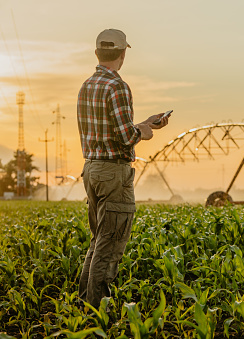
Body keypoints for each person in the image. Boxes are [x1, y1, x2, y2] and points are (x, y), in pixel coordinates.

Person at [77, 28, 169, 309]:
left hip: (92, 169)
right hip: (113, 173)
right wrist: (144, 131)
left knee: (97, 241)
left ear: (97, 53)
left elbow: (108, 130)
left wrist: (141, 123)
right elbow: (126, 137)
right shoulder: (117, 86)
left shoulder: (87, 85)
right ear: (122, 53)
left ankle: (83, 307)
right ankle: (98, 314)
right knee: (110, 244)